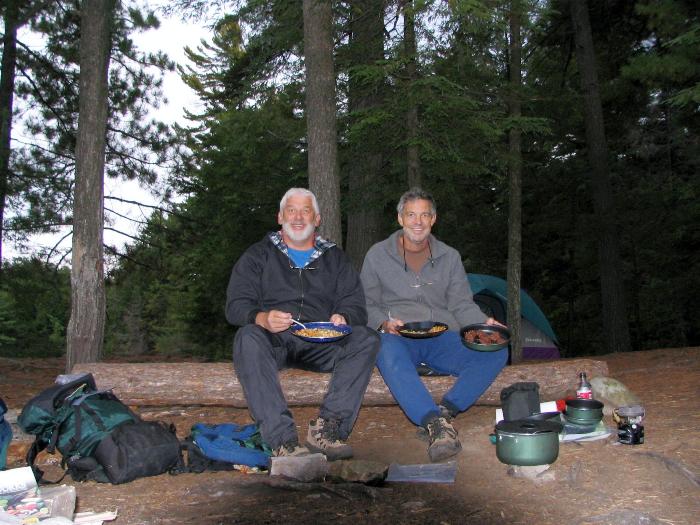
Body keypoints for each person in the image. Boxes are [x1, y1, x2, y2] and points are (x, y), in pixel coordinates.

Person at [226, 188, 380, 460]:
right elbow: (236, 304)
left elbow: (356, 305)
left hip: (321, 342)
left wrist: (344, 316)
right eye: (291, 210)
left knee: (366, 338)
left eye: (305, 210)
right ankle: (282, 441)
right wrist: (261, 318)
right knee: (247, 336)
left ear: (317, 218)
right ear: (280, 216)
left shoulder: (336, 258)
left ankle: (328, 429)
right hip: (274, 342)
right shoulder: (258, 255)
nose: (298, 217)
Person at [360, 188, 508, 462]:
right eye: (411, 214)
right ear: (400, 218)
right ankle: (433, 424)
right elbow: (365, 304)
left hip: (443, 336)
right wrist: (383, 322)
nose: (418, 221)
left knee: (497, 350)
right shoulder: (377, 255)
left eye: (424, 215)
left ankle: (447, 410)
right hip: (400, 337)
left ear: (434, 219)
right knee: (382, 346)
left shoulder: (449, 256)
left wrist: (483, 324)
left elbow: (462, 304)